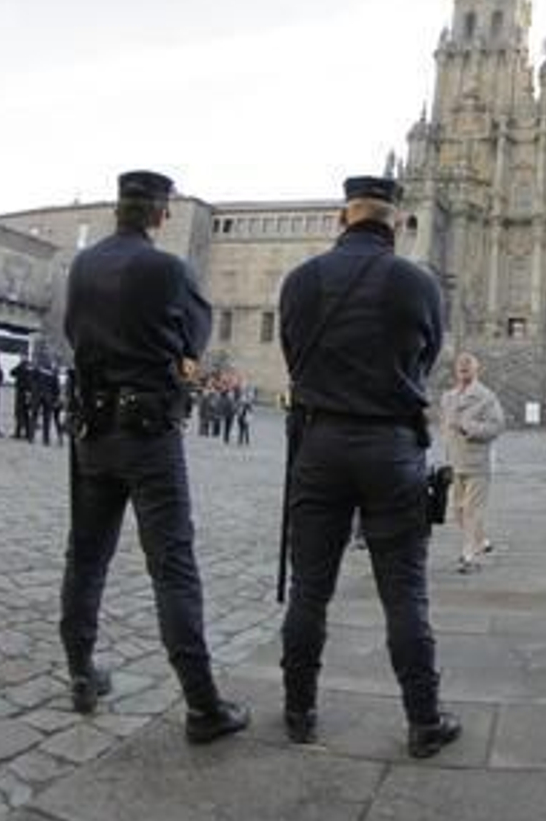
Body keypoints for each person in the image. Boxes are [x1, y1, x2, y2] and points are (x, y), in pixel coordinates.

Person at [58, 170, 248, 744]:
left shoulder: (83, 265)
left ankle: (82, 674)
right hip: (148, 433)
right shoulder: (168, 270)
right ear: (163, 214)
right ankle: (201, 703)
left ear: (119, 208)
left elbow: (72, 332)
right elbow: (192, 340)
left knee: (86, 556)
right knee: (172, 564)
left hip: (91, 429)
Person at [277, 174, 459, 757]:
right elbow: (426, 360)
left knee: (309, 589)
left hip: (320, 443)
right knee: (405, 592)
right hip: (391, 448)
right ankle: (423, 720)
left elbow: (293, 357)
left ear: (342, 218)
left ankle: (299, 710)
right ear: (399, 222)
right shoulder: (418, 283)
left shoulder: (301, 282)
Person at [440, 352, 506, 574]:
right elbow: (446, 429)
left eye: (468, 366)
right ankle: (482, 541)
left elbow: (497, 426)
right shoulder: (448, 397)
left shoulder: (486, 397)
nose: (464, 368)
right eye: (460, 366)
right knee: (456, 510)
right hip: (455, 461)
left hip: (478, 462)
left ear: (476, 370)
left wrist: (470, 429)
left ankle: (468, 555)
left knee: (471, 510)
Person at [35, 360, 61, 447]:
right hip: (50, 399)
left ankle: (31, 437)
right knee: (49, 420)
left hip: (40, 397)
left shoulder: (41, 373)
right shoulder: (54, 375)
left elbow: (36, 385)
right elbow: (56, 389)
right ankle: (46, 439)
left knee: (35, 416)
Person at [11, 357, 35, 442]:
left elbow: (12, 372)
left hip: (21, 393)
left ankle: (18, 432)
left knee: (19, 413)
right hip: (27, 393)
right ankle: (28, 433)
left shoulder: (21, 367)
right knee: (26, 414)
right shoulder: (30, 368)